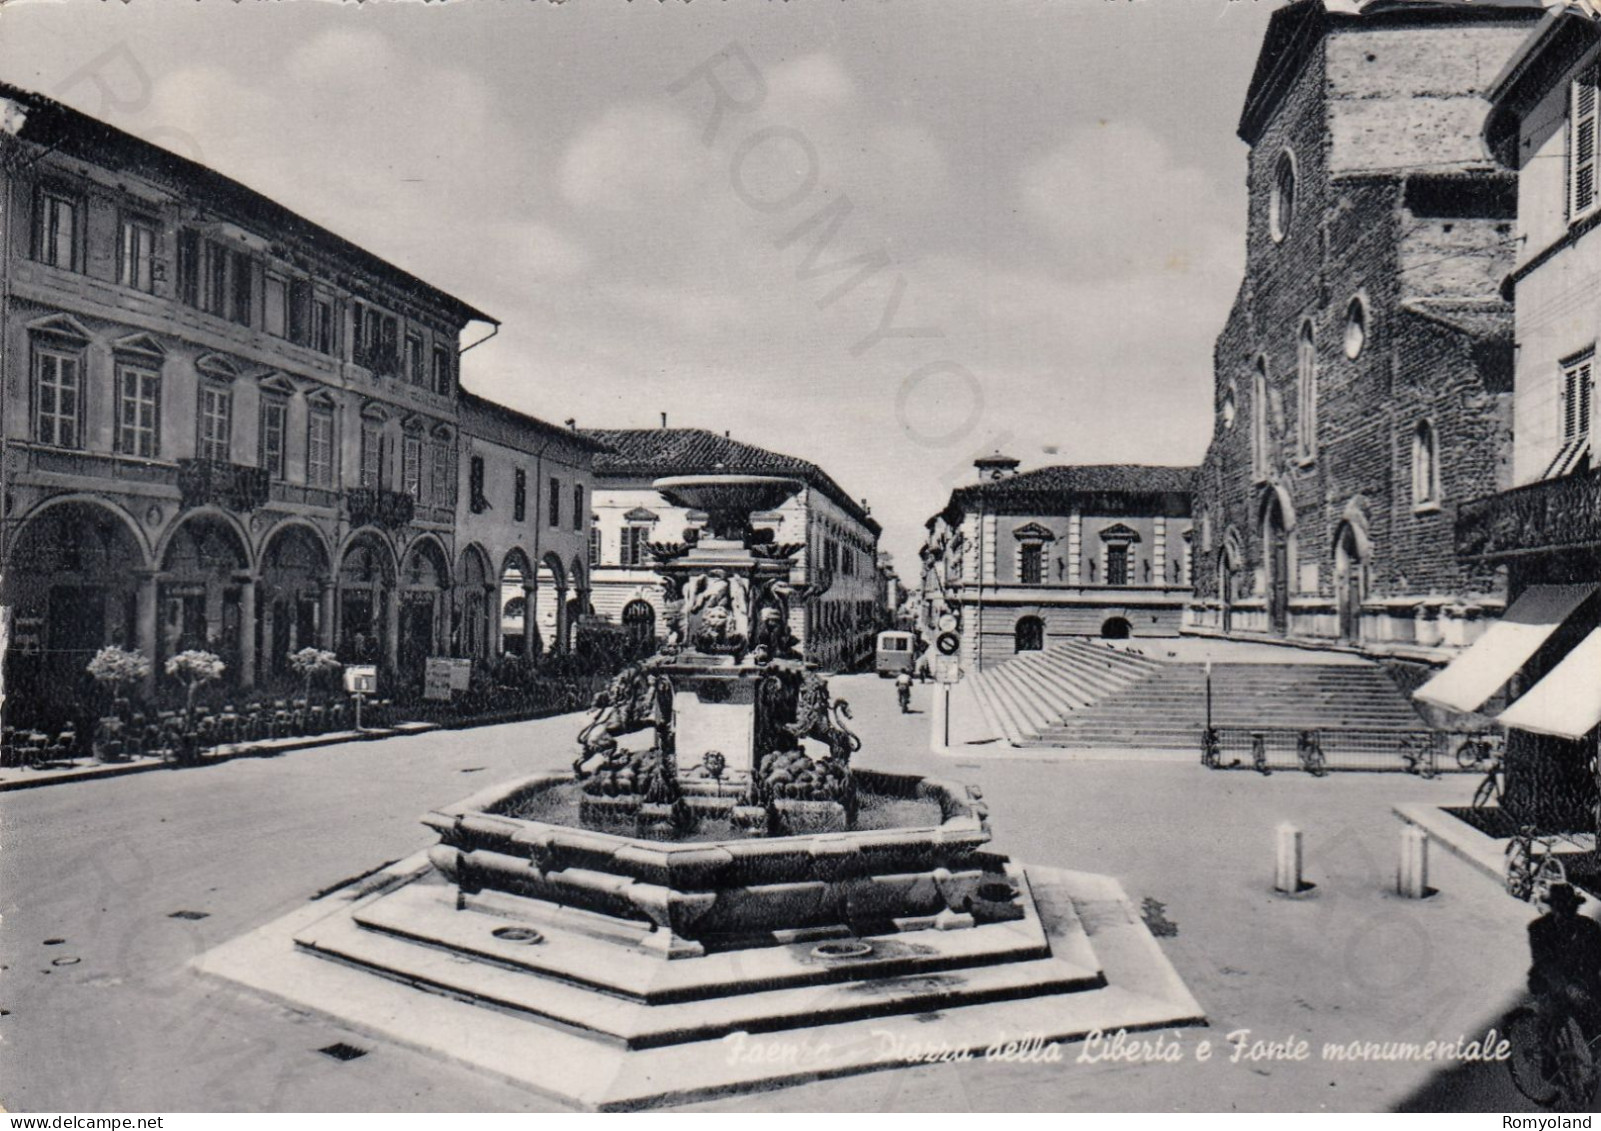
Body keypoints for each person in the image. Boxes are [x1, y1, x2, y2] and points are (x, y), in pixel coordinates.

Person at [1527, 883, 1601, 1042]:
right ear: (1553, 908)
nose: (1565, 913)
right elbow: (1544, 964)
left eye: (1570, 908)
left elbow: (1596, 957)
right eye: (1560, 908)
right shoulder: (1539, 929)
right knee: (1554, 1021)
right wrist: (1568, 987)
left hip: (1583, 980)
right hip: (1550, 982)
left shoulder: (1589, 927)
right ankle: (1548, 1059)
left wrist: (1586, 984)